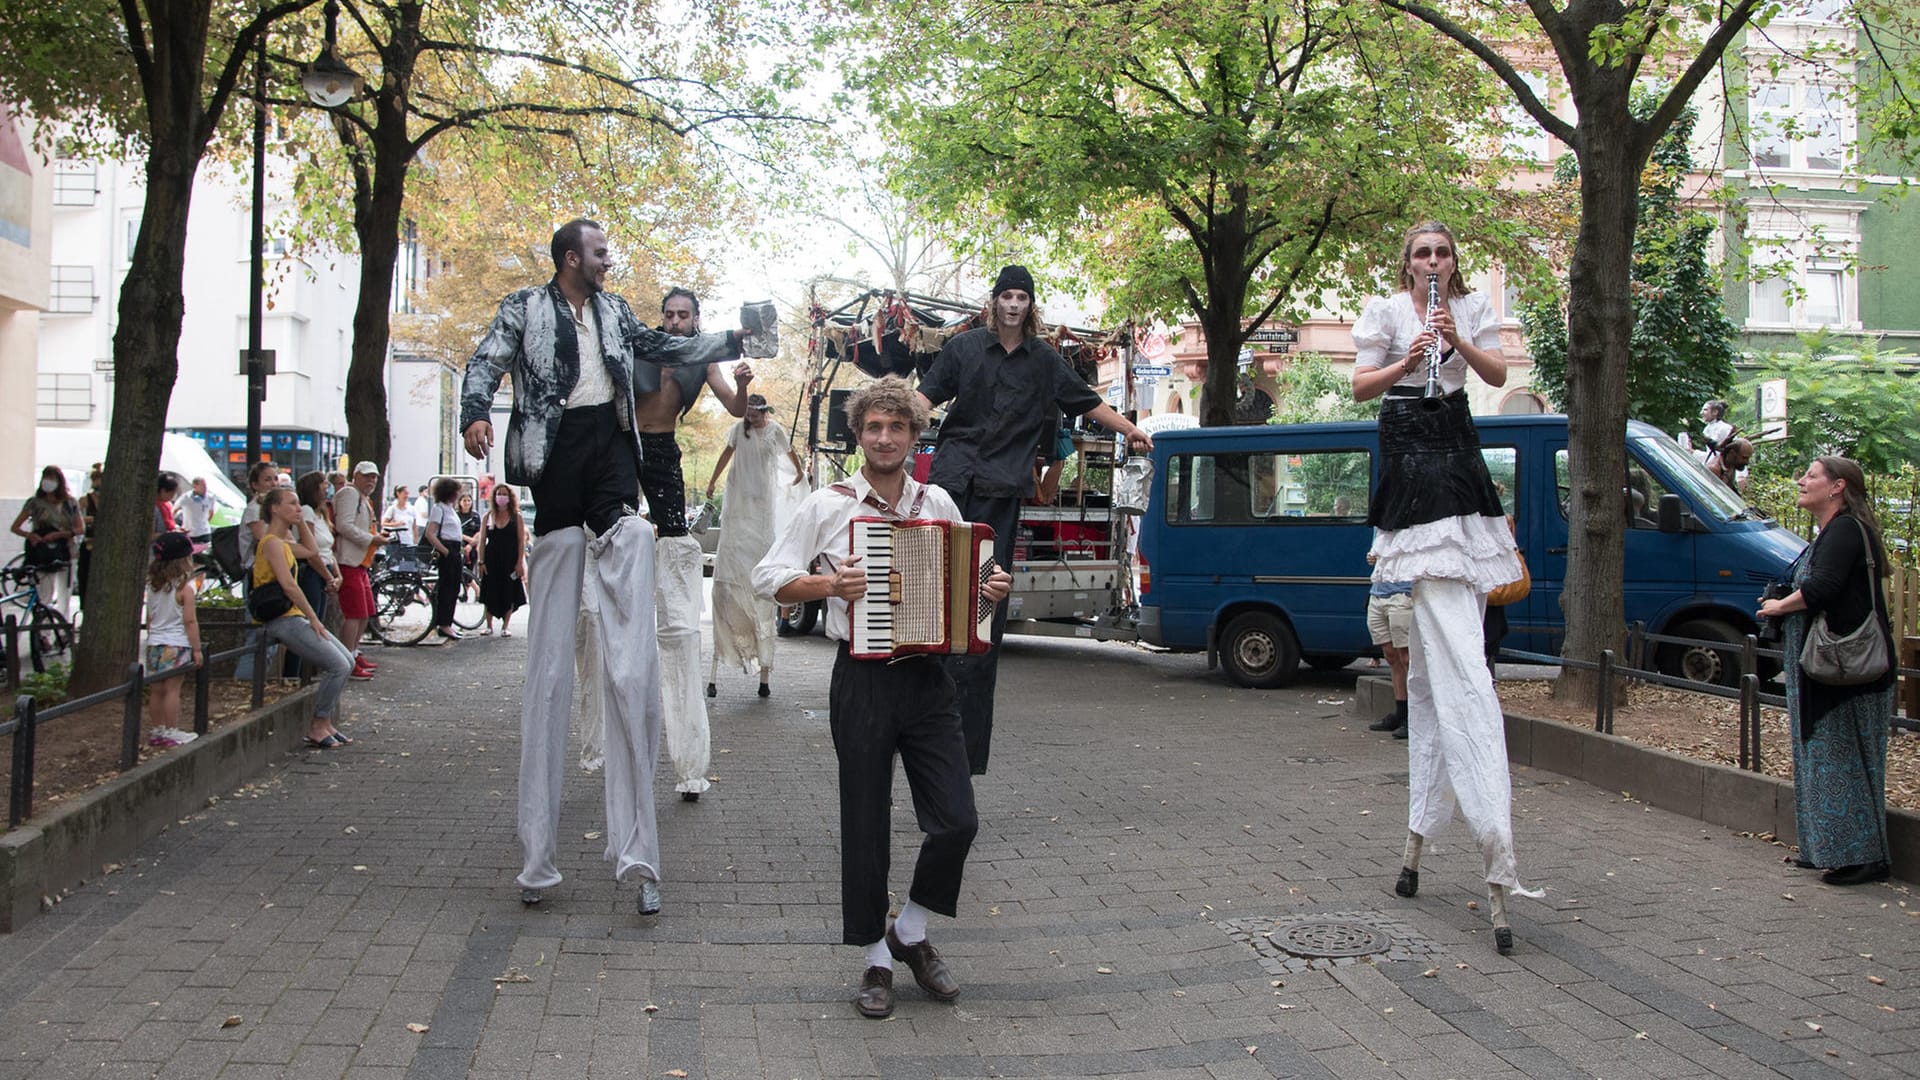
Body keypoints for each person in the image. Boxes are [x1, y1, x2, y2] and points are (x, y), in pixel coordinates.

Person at [458, 218, 752, 911]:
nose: (608, 260)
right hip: (556, 453)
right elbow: (485, 360)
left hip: (611, 451)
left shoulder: (617, 312)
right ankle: (538, 860)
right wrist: (474, 411)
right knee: (552, 661)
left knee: (629, 553)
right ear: (570, 258)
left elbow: (668, 345)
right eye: (598, 251)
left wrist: (734, 340)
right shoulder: (525, 308)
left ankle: (638, 854)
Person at [752, 377, 1011, 1020]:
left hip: (928, 679)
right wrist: (828, 584)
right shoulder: (828, 505)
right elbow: (769, 578)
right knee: (864, 821)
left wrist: (993, 588)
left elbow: (970, 584)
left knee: (957, 819)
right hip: (861, 680)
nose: (886, 438)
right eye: (874, 427)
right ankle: (874, 956)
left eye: (898, 427)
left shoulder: (939, 502)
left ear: (914, 435)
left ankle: (912, 930)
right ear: (858, 434)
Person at [1350, 221, 1530, 954]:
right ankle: (1429, 828)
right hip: (1403, 432)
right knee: (1427, 660)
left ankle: (1464, 835)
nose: (1432, 263)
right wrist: (1410, 356)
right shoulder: (1387, 310)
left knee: (1456, 656)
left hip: (1453, 435)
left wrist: (1453, 340)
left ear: (1454, 263)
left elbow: (1493, 378)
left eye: (1442, 253)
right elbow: (1361, 386)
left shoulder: (1470, 310)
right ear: (1407, 263)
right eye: (1421, 254)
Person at [914, 265, 1153, 774]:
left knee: (984, 608)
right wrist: (888, 418)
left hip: (1002, 490)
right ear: (994, 302)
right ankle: (917, 730)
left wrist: (1130, 428)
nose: (1014, 304)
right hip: (952, 483)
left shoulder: (1045, 361)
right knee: (933, 599)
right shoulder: (962, 349)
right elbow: (925, 396)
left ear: (1030, 305)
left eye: (1022, 296)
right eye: (1007, 296)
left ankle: (964, 758)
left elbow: (1089, 404)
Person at [635, 287, 754, 802]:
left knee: (673, 538)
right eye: (670, 313)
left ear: (697, 319)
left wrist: (745, 385)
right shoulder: (643, 343)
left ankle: (674, 612)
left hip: (660, 445)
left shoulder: (704, 356)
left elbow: (735, 407)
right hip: (622, 441)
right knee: (617, 531)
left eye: (684, 314)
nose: (676, 320)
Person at [1757, 456, 1895, 887]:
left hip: (1844, 669)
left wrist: (1780, 605)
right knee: (1824, 755)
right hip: (1829, 668)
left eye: (1812, 475)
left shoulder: (1846, 530)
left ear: (1837, 487)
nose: (1801, 480)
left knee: (1839, 757)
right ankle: (1830, 849)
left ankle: (1863, 856)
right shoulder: (1832, 532)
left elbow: (1823, 587)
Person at [705, 393, 807, 700]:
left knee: (760, 570)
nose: (753, 419)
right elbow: (726, 453)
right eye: (748, 414)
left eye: (756, 414)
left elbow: (790, 454)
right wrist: (712, 481)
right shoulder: (739, 431)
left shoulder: (774, 431)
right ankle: (725, 650)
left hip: (761, 507)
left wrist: (800, 472)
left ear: (764, 413)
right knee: (733, 563)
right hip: (738, 505)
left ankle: (764, 672)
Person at [253, 488, 357, 747]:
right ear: (275, 508)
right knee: (339, 665)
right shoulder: (272, 544)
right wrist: (314, 618)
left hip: (294, 615)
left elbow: (311, 552)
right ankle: (318, 724)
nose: (298, 508)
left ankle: (326, 722)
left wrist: (301, 523)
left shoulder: (284, 543)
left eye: (299, 503)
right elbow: (289, 585)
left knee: (346, 660)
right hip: (284, 618)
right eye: (292, 504)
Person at [330, 461, 388, 680]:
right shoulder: (349, 494)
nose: (371, 481)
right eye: (367, 476)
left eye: (374, 477)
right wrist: (371, 539)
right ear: (356, 476)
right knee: (354, 614)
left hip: (360, 562)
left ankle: (353, 653)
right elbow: (344, 526)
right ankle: (347, 659)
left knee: (364, 613)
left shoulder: (362, 498)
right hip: (349, 561)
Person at [144, 531, 202, 735]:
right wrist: (197, 649)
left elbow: (149, 618)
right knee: (172, 690)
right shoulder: (185, 588)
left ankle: (158, 729)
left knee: (156, 689)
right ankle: (171, 730)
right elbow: (190, 621)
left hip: (155, 642)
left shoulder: (152, 586)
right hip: (177, 643)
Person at [288, 472, 345, 677]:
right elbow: (311, 550)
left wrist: (337, 576)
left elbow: (328, 549)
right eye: (323, 484)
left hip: (325, 569)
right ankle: (294, 674)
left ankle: (308, 672)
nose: (327, 487)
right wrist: (329, 577)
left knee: (319, 623)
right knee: (309, 626)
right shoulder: (306, 512)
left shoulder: (321, 513)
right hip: (312, 572)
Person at [12, 466, 81, 620]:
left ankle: (62, 631)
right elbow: (15, 527)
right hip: (43, 554)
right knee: (44, 594)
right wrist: (30, 535)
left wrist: (60, 534)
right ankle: (43, 634)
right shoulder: (34, 503)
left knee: (65, 595)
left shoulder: (70, 503)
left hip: (65, 552)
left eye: (52, 478)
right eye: (46, 478)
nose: (48, 482)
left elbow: (79, 528)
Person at [1364, 554, 1413, 740]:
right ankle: (1400, 711)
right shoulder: (1379, 526)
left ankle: (1414, 716)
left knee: (1407, 657)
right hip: (1378, 592)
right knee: (1390, 656)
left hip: (1403, 593)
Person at [475, 484, 529, 636]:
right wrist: (481, 561)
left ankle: (505, 626)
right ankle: (489, 625)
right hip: (491, 560)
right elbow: (482, 540)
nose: (501, 497)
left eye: (504, 494)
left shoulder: (516, 517)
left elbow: (521, 541)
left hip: (510, 560)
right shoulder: (488, 516)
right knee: (489, 591)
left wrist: (519, 562)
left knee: (509, 591)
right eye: (499, 494)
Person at [423, 477, 466, 642]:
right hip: (448, 549)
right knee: (447, 587)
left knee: (454, 587)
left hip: (454, 549)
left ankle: (447, 621)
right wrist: (445, 551)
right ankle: (443, 624)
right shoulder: (439, 509)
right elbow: (430, 533)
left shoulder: (450, 509)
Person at [76, 463, 103, 612]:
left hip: (104, 546)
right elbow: (75, 519)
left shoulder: (111, 499)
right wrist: (86, 519)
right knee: (86, 579)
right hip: (88, 544)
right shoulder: (84, 500)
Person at [175, 477, 216, 551]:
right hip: (189, 533)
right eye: (202, 485)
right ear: (195, 486)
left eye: (205, 485)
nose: (205, 488)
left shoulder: (210, 498)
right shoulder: (186, 498)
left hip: (204, 532)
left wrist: (204, 522)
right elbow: (174, 510)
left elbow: (211, 512)